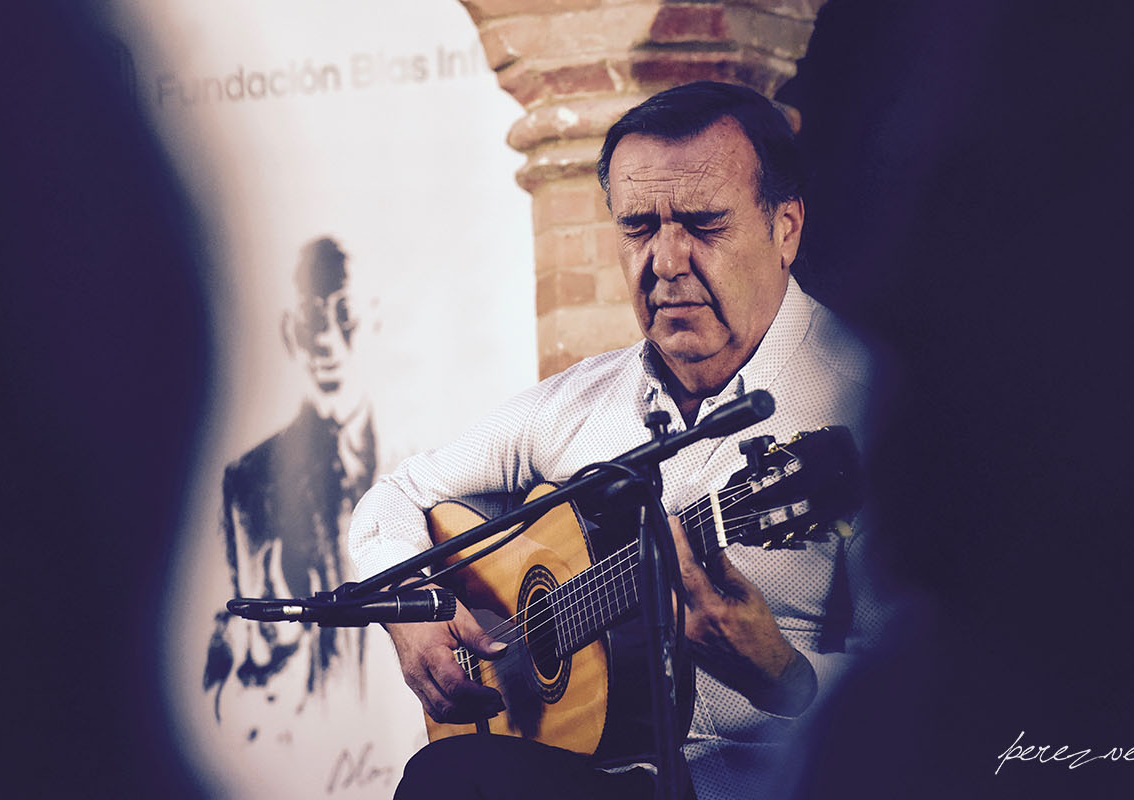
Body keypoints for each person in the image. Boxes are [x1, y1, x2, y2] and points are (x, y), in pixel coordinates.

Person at [347, 82, 884, 799]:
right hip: (594, 773)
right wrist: (414, 608)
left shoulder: (869, 403)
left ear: (785, 228)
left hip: (772, 784)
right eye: (638, 227)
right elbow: (395, 498)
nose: (665, 260)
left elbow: (940, 682)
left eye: (704, 224)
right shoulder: (576, 404)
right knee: (448, 777)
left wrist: (784, 674)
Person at [204, 236, 378, 743]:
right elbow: (255, 662)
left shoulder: (425, 456)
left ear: (371, 316)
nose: (325, 339)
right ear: (290, 332)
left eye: (341, 313)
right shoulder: (249, 481)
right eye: (310, 317)